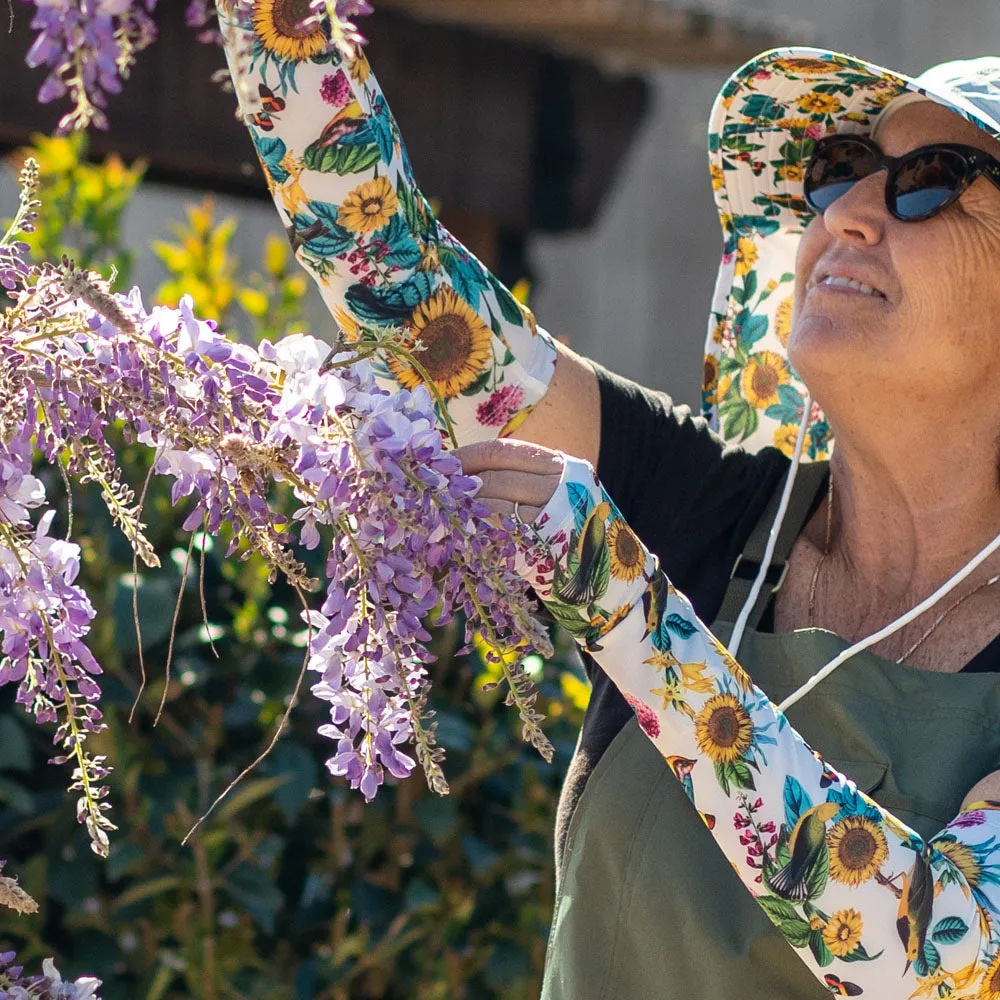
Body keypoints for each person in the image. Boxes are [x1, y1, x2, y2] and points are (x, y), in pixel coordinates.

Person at [216, 5, 1000, 996]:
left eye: (930, 184)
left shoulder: (640, 565)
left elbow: (937, 962)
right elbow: (400, 281)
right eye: (841, 167)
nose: (845, 213)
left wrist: (635, 620)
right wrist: (271, 20)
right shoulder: (711, 510)